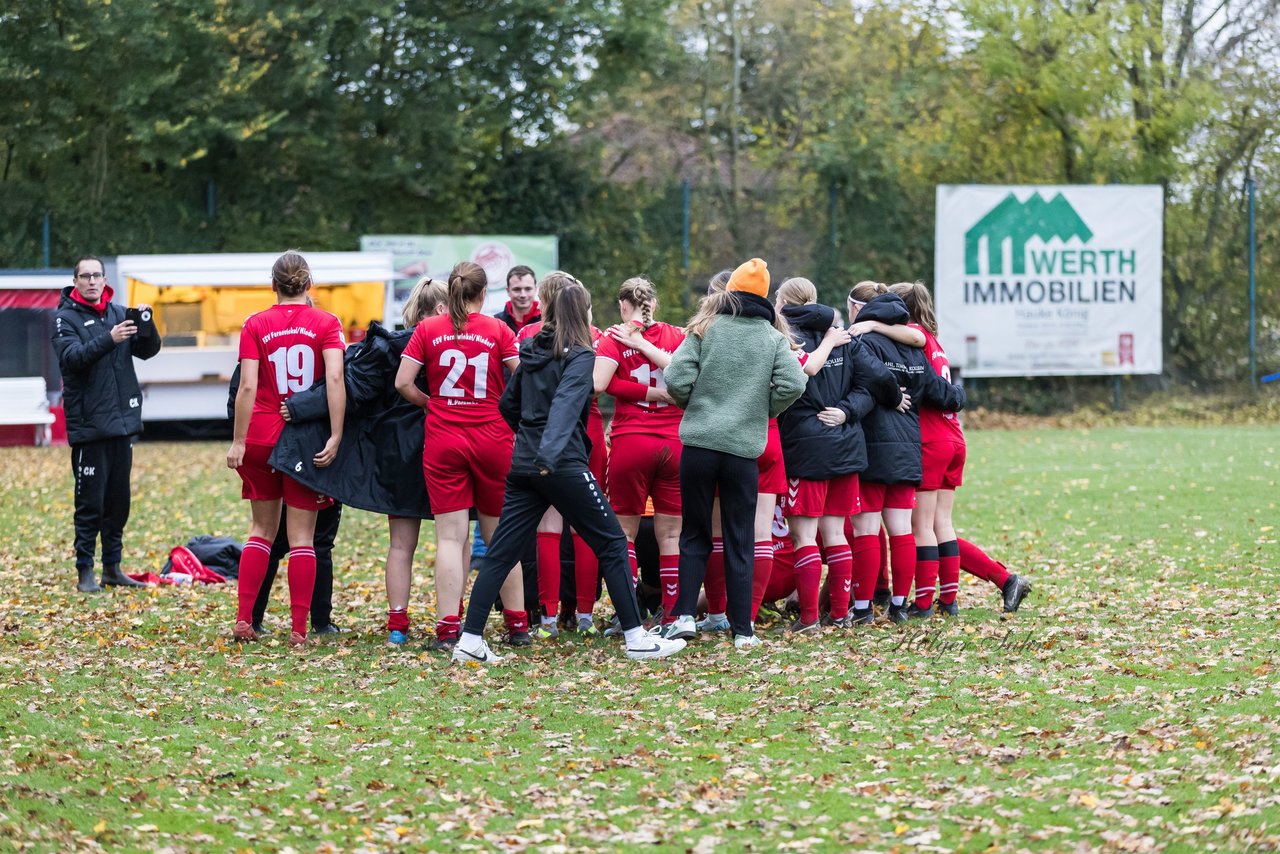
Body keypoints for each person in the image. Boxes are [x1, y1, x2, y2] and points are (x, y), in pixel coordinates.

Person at [454, 286, 686, 664]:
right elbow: (564, 405)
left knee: (501, 552)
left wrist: (530, 442)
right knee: (612, 542)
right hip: (559, 464)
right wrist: (550, 453)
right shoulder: (581, 356)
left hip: (525, 464)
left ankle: (469, 640)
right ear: (584, 314)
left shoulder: (531, 350)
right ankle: (636, 638)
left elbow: (507, 404)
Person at [271, 277, 449, 645]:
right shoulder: (455, 342)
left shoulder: (388, 346)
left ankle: (398, 626)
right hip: (445, 450)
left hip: (398, 456)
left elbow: (352, 388)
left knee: (401, 545)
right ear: (440, 311)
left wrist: (300, 405)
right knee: (454, 541)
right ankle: (452, 622)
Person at [661, 258, 808, 649]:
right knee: (741, 539)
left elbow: (675, 377)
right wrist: (763, 409)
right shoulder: (773, 337)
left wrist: (695, 403)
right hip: (743, 451)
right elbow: (794, 384)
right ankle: (743, 630)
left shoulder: (705, 328)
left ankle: (685, 618)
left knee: (694, 534)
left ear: (730, 291)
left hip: (699, 446)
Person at [395, 261, 528, 651]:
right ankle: (518, 625)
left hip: (444, 440)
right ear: (484, 295)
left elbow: (402, 382)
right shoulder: (499, 329)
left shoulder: (427, 329)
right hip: (493, 439)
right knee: (500, 536)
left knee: (450, 540)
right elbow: (520, 379)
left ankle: (448, 629)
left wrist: (430, 402)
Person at [884, 282, 1032, 615]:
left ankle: (923, 603)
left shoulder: (912, 336)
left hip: (931, 439)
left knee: (919, 527)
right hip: (953, 438)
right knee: (940, 525)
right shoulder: (935, 341)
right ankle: (964, 595)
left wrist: (870, 324)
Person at [227, 251, 346, 649]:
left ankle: (245, 619)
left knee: (261, 531)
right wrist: (336, 434)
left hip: (262, 433)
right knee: (302, 540)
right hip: (304, 438)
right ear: (309, 284)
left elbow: (246, 387)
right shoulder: (327, 323)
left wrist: (239, 441)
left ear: (273, 285)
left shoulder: (255, 324)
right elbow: (333, 378)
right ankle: (298, 628)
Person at [776, 277, 905, 630]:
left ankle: (808, 618)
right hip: (846, 447)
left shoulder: (784, 338)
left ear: (786, 301)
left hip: (806, 449)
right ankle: (840, 613)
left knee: (804, 536)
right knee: (835, 533)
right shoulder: (844, 337)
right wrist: (849, 411)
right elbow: (876, 381)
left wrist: (843, 410)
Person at [847, 282, 964, 622]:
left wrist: (889, 397)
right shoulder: (914, 350)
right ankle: (900, 605)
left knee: (867, 528)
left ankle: (864, 608)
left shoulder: (864, 341)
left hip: (874, 447)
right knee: (902, 528)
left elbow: (870, 379)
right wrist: (959, 398)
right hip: (910, 447)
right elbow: (935, 388)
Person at [53, 255, 162, 593]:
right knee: (90, 504)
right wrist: (109, 339)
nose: (91, 281)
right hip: (89, 427)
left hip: (122, 423)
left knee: (118, 502)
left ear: (104, 279)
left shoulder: (118, 313)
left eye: (97, 275)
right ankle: (85, 570)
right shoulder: (64, 318)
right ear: (75, 281)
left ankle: (112, 568)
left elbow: (147, 352)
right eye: (84, 276)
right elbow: (72, 359)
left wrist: (146, 326)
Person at [515, 271, 609, 637]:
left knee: (548, 526)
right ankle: (585, 615)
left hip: (542, 434)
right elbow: (604, 384)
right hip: (589, 430)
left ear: (544, 300)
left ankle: (549, 617)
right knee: (588, 521)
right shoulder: (596, 336)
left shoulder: (529, 336)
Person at [593, 277, 686, 624]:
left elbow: (598, 385)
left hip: (631, 441)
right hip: (675, 442)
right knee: (672, 535)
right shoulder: (678, 335)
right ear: (654, 304)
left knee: (624, 534)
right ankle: (673, 616)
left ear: (622, 305)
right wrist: (660, 395)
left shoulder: (612, 336)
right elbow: (689, 382)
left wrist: (636, 392)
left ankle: (628, 616)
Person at [495, 265, 540, 333]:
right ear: (508, 291)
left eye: (528, 289)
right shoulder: (496, 322)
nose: (523, 295)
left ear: (535, 289)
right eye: (517, 289)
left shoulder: (547, 321)